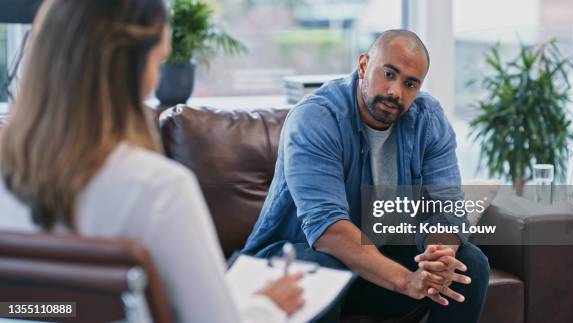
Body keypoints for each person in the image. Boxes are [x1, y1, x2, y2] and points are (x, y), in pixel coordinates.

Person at [0, 1, 304, 322]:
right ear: (130, 68)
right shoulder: (159, 189)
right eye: (158, 61)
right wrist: (267, 306)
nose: (156, 79)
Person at [242, 30, 490, 322]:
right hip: (291, 263)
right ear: (363, 66)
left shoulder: (428, 118)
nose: (395, 92)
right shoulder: (316, 118)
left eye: (410, 84)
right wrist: (405, 280)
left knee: (468, 264)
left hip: (376, 264)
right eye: (388, 74)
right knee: (317, 267)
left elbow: (448, 209)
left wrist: (438, 259)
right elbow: (329, 230)